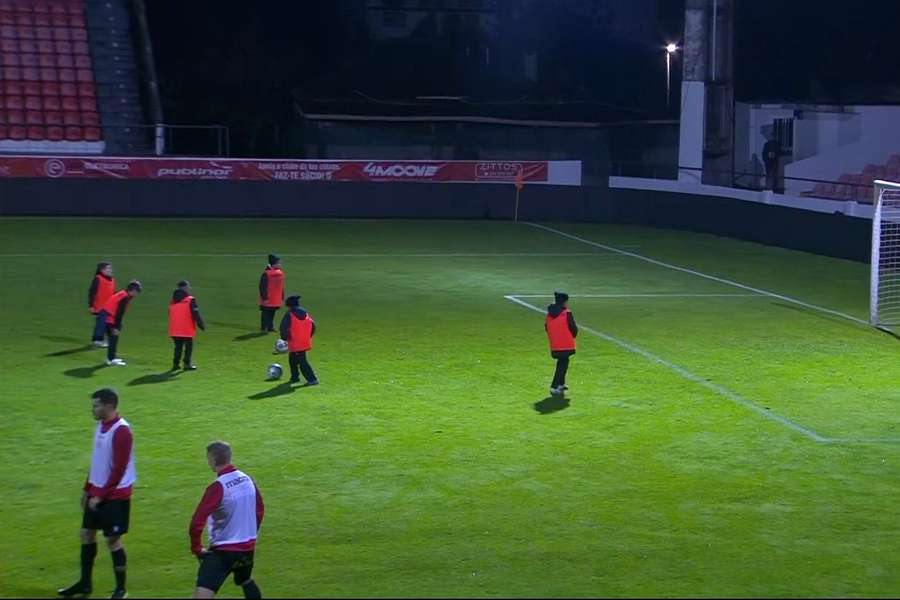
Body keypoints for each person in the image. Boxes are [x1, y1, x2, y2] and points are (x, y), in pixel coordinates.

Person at [58, 388, 135, 600]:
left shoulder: (122, 431)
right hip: (96, 491)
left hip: (116, 496)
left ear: (109, 406)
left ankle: (121, 589)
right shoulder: (100, 426)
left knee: (113, 540)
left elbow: (119, 468)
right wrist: (87, 488)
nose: (93, 409)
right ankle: (85, 584)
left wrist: (101, 496)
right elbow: (97, 462)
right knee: (86, 534)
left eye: (96, 405)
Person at [189, 441, 264, 599]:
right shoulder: (247, 480)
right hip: (247, 549)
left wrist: (197, 548)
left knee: (203, 593)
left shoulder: (218, 487)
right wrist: (249, 534)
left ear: (213, 459)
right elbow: (259, 510)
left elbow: (197, 522)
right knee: (245, 580)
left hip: (223, 552)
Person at [95, 280, 142, 367]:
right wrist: (116, 327)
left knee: (113, 339)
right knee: (113, 339)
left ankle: (111, 358)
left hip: (105, 316)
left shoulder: (122, 294)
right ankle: (111, 359)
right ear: (133, 290)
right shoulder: (125, 298)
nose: (137, 294)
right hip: (109, 318)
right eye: (137, 291)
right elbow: (119, 313)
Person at [279, 295, 318, 385]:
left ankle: (312, 379)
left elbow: (283, 328)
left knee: (302, 362)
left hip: (295, 342)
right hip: (304, 341)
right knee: (292, 359)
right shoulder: (305, 313)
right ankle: (294, 377)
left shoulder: (290, 314)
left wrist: (284, 338)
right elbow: (313, 325)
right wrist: (308, 336)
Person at [169, 279, 207, 371]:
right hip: (186, 328)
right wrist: (201, 324)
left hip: (174, 329)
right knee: (188, 347)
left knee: (178, 347)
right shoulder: (190, 300)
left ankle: (175, 364)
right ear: (185, 287)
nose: (189, 288)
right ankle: (187, 364)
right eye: (188, 287)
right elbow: (195, 314)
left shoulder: (172, 301)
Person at [545, 291, 578, 396]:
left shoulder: (550, 314)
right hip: (565, 343)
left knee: (563, 361)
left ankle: (561, 384)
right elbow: (573, 328)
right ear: (564, 302)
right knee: (562, 364)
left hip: (555, 344)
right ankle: (554, 386)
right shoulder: (566, 313)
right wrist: (571, 336)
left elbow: (546, 327)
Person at [89, 262, 116, 347]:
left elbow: (112, 292)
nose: (111, 270)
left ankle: (100, 339)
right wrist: (91, 306)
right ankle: (97, 340)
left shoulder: (112, 279)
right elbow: (92, 292)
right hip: (100, 306)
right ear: (102, 270)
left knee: (106, 324)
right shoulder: (98, 278)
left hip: (109, 307)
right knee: (101, 324)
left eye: (111, 268)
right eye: (108, 268)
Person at [258, 254, 284, 333]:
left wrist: (282, 296)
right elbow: (262, 287)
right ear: (274, 264)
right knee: (265, 313)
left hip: (275, 298)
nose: (280, 264)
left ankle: (270, 327)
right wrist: (265, 298)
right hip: (268, 298)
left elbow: (281, 285)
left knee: (272, 313)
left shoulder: (279, 272)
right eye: (279, 263)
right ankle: (264, 328)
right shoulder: (266, 274)